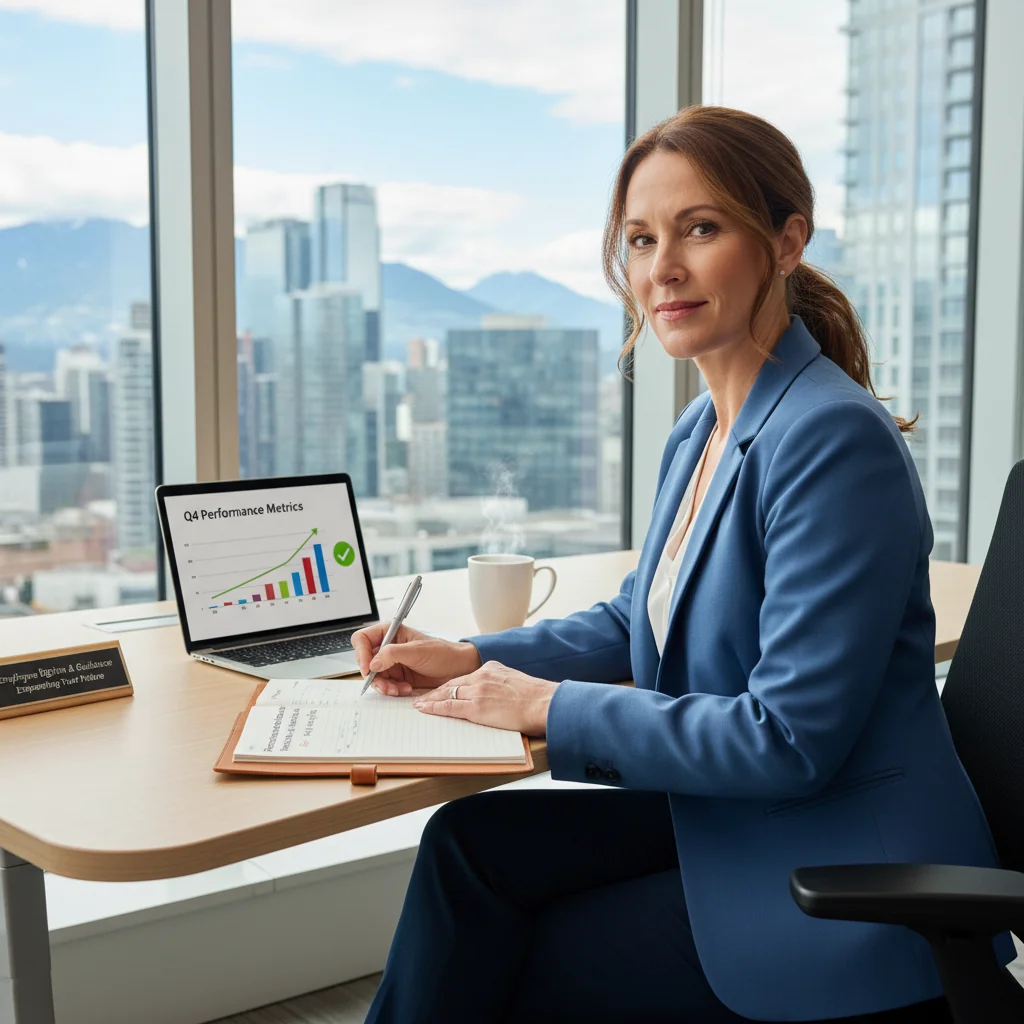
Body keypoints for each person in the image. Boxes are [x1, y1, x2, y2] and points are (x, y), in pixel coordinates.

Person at [353, 106, 1012, 1024]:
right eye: (639, 238)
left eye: (699, 229)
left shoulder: (830, 440)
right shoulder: (701, 432)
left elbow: (788, 738)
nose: (660, 267)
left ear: (786, 242)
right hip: (746, 817)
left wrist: (545, 705)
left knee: (517, 963)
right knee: (472, 847)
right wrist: (471, 657)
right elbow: (637, 621)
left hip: (841, 876)